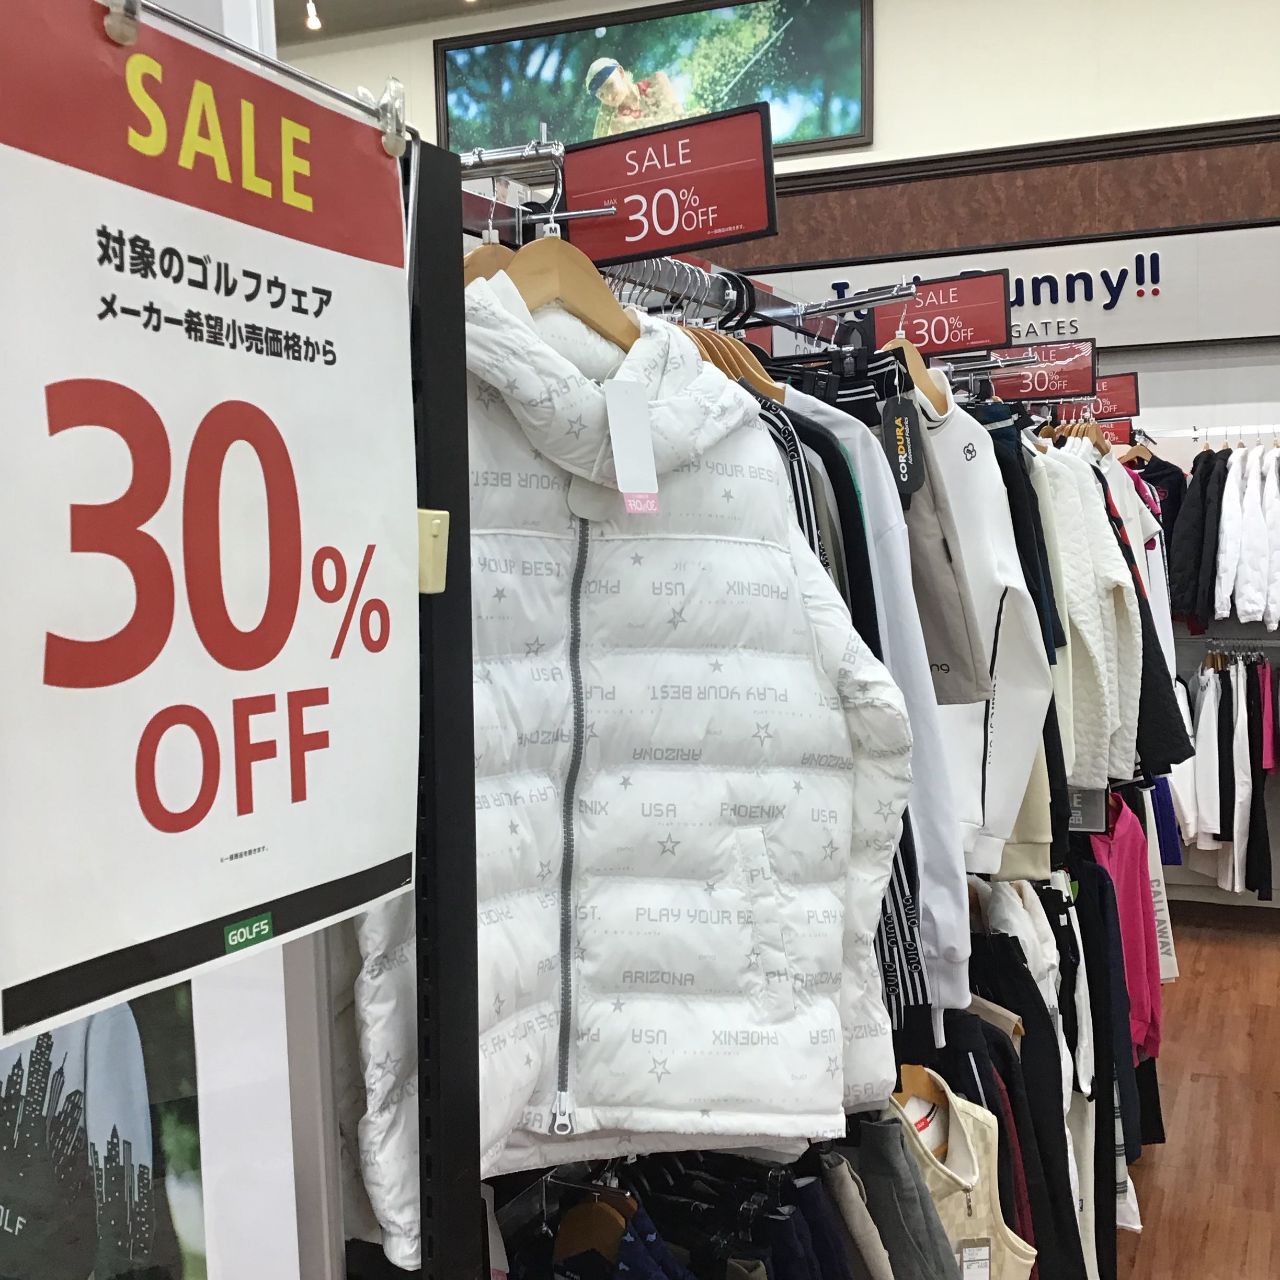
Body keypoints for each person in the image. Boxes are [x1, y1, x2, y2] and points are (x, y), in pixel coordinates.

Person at [586, 57, 686, 138]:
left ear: (620, 72)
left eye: (610, 85)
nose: (609, 96)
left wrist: (631, 126)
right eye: (601, 95)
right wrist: (604, 116)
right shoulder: (616, 122)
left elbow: (678, 120)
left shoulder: (656, 83)